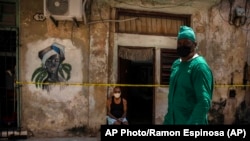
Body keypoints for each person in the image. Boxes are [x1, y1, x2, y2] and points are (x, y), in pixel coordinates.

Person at [163, 25, 214, 125]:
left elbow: (203, 102)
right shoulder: (176, 64)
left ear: (194, 44)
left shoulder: (199, 67)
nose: (182, 46)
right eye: (179, 43)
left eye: (187, 43)